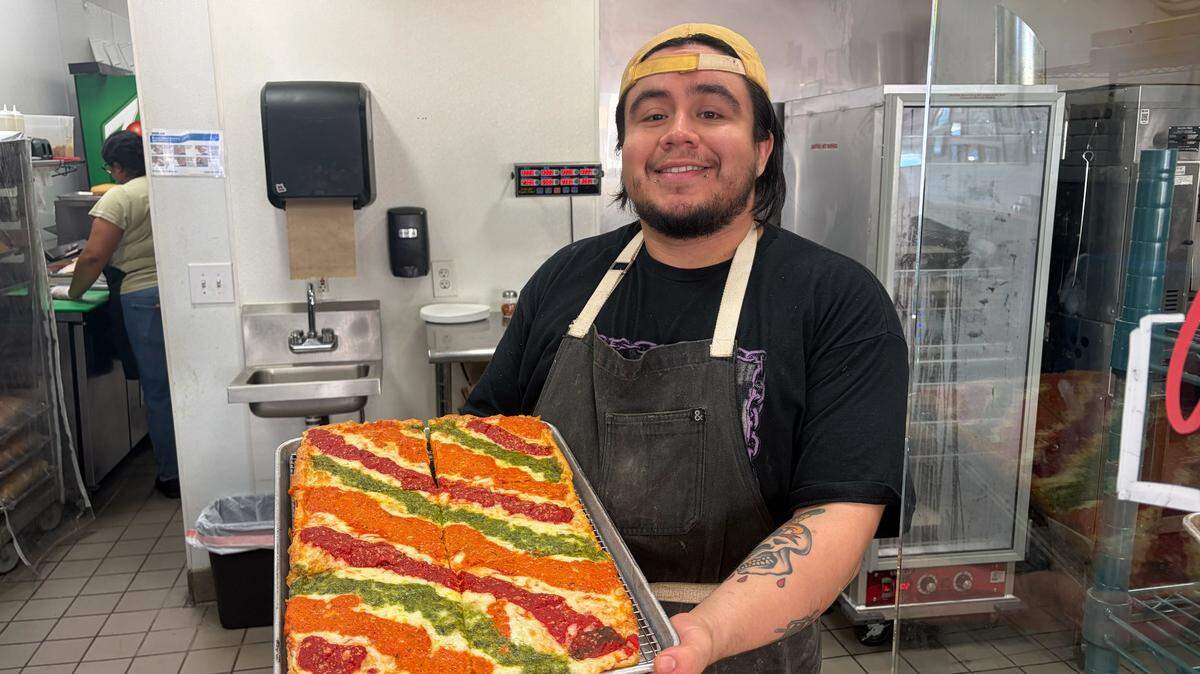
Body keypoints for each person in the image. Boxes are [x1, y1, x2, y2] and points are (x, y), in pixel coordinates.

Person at [464, 24, 908, 672]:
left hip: (741, 651)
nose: (678, 131)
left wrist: (703, 636)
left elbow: (840, 514)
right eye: (652, 114)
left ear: (763, 148)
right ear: (625, 146)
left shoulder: (837, 301)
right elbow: (485, 449)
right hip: (546, 640)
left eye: (710, 110)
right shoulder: (565, 280)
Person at [54, 130, 180, 499]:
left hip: (141, 297)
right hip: (178, 292)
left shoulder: (120, 197)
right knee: (187, 384)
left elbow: (94, 256)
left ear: (118, 167)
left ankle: (171, 476)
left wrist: (72, 291)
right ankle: (198, 466)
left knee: (158, 391)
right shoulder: (167, 189)